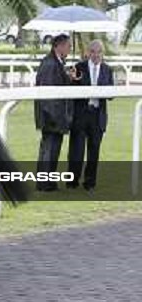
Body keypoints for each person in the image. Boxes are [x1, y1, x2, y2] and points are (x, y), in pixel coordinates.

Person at [67, 40, 114, 192]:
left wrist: (104, 91)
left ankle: (90, 183)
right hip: (81, 114)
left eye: (99, 52)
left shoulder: (107, 70)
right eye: (93, 51)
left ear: (102, 53)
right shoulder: (79, 67)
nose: (95, 55)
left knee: (94, 150)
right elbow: (72, 89)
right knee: (77, 150)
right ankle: (72, 181)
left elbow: (111, 95)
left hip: (97, 115)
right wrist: (73, 79)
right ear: (88, 52)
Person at [34, 34, 78, 191]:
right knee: (49, 150)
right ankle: (44, 183)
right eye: (68, 46)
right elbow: (48, 96)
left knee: (52, 150)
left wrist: (70, 79)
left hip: (55, 116)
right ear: (58, 46)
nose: (70, 49)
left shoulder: (57, 63)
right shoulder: (50, 64)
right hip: (51, 117)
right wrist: (57, 118)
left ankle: (48, 181)